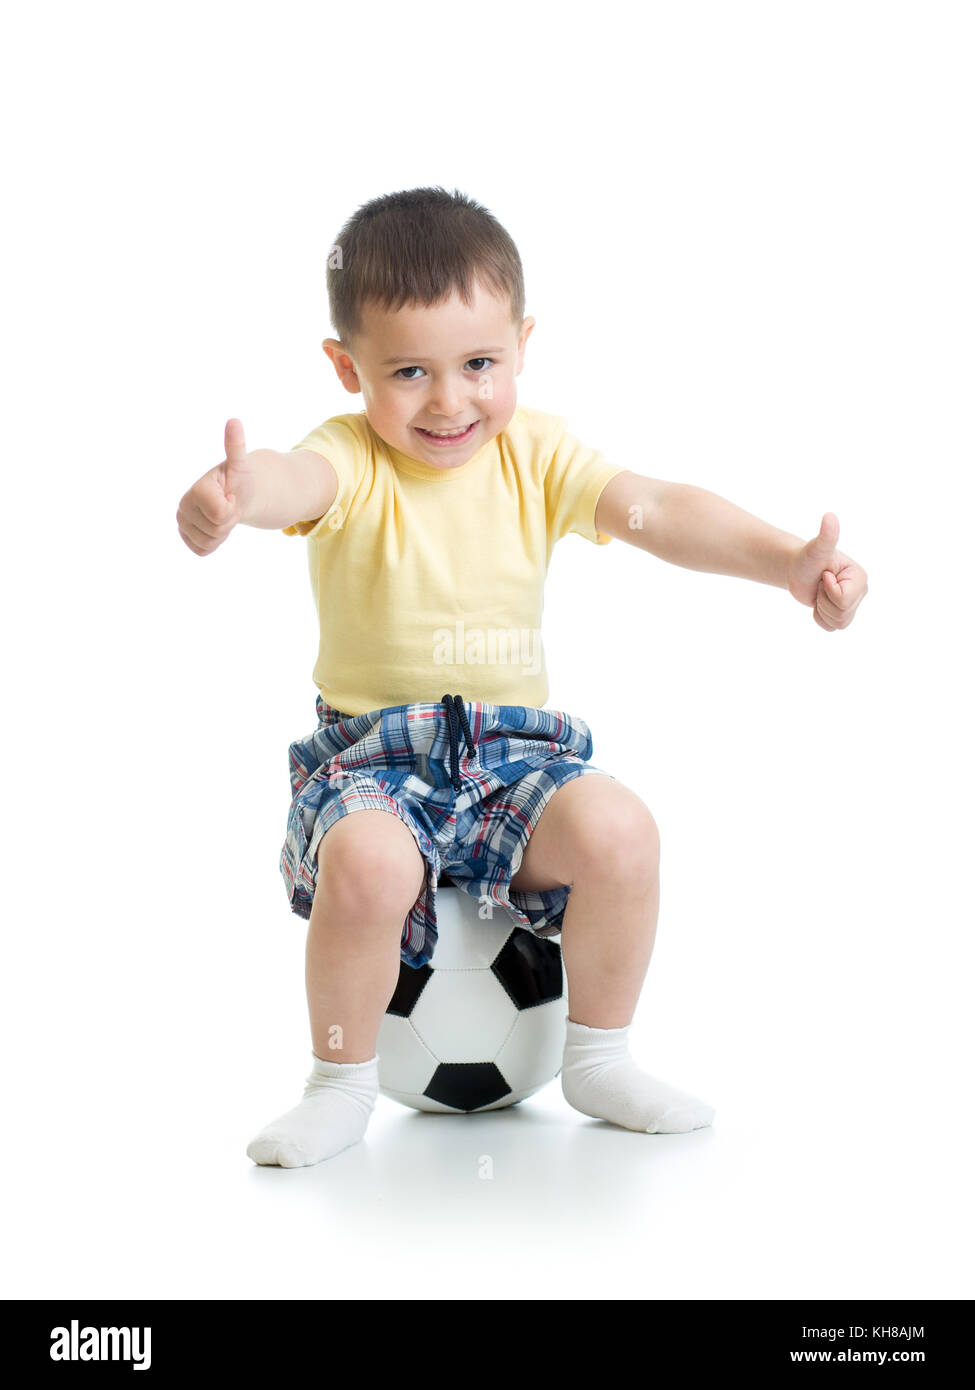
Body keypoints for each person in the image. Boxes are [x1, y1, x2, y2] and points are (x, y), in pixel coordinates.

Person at [176, 187, 868, 1169]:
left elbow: (658, 508)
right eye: (409, 371)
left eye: (479, 365)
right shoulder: (351, 456)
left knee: (621, 830)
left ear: (523, 344)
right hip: (377, 754)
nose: (450, 400)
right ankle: (337, 1081)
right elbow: (295, 480)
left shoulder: (536, 454)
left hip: (514, 752)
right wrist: (236, 498)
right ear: (346, 368)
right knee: (369, 864)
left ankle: (600, 1055)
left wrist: (789, 561)